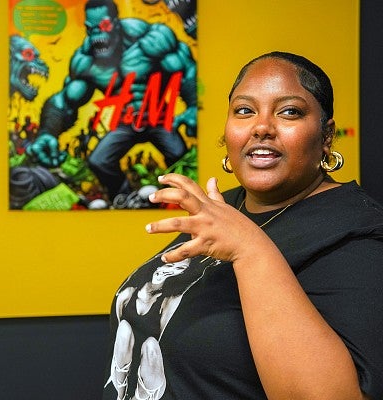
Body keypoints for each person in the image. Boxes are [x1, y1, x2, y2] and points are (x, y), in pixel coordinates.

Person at [102, 51, 383, 399]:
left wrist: (250, 249)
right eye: (244, 110)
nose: (262, 127)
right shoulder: (224, 206)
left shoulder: (357, 231)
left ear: (326, 137)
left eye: (289, 112)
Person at [28, 0, 197, 201]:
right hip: (124, 123)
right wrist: (47, 132)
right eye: (91, 29)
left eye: (104, 26)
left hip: (158, 119)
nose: (98, 36)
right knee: (98, 161)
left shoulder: (151, 39)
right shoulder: (86, 60)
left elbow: (186, 70)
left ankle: (176, 199)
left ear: (116, 22)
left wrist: (194, 106)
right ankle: (125, 197)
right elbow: (64, 101)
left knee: (180, 156)